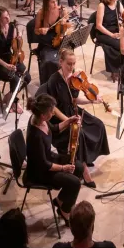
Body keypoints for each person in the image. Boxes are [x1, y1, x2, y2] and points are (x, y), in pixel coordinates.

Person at [46, 48, 109, 182]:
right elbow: (53, 108)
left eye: (74, 63)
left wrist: (91, 100)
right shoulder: (54, 80)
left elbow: (74, 100)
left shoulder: (74, 78)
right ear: (61, 62)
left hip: (73, 111)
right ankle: (84, 170)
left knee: (98, 125)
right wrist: (68, 120)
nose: (72, 67)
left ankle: (87, 157)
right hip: (61, 117)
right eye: (69, 64)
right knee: (79, 133)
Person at [25, 92, 84, 223]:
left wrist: (69, 121)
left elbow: (55, 129)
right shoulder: (36, 136)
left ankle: (60, 200)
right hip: (40, 172)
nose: (53, 113)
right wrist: (64, 168)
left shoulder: (41, 120)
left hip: (48, 159)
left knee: (78, 167)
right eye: (51, 112)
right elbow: (44, 164)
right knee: (75, 182)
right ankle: (64, 211)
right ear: (43, 115)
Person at [34, 0, 74, 84]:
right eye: (52, 2)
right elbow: (36, 30)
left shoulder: (62, 11)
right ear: (46, 3)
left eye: (56, 1)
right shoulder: (41, 13)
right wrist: (41, 30)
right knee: (49, 62)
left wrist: (66, 24)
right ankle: (48, 85)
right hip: (46, 44)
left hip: (60, 42)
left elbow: (70, 27)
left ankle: (65, 83)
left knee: (68, 59)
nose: (55, 4)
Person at [92, 0, 123, 81]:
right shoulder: (102, 6)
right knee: (119, 45)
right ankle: (116, 69)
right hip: (103, 33)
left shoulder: (118, 3)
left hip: (115, 31)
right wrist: (112, 35)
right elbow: (98, 26)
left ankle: (120, 68)